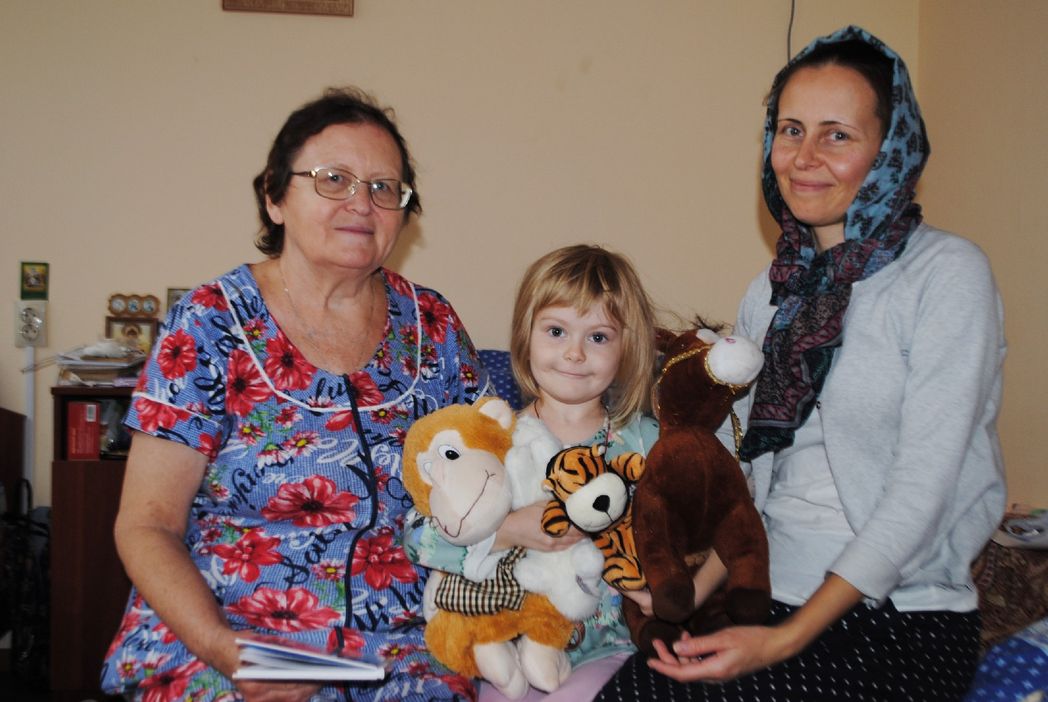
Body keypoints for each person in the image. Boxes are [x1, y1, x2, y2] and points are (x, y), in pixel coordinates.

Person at [597, 25, 1007, 702]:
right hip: (762, 589)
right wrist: (687, 597)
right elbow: (748, 484)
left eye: (837, 134)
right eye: (791, 130)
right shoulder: (770, 292)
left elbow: (923, 490)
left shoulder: (947, 275)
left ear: (890, 149)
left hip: (897, 615)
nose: (805, 157)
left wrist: (784, 640)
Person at [101, 87, 489, 701]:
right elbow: (147, 524)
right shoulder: (208, 324)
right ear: (274, 196)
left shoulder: (433, 325)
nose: (361, 203)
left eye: (384, 188)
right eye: (334, 179)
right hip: (225, 637)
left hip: (402, 651)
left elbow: (495, 473)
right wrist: (226, 649)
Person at [406, 244, 681, 701]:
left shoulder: (646, 444)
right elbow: (418, 536)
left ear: (626, 348)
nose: (574, 353)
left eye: (598, 337)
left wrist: (677, 594)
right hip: (510, 646)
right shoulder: (492, 439)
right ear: (525, 335)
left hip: (609, 649)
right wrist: (507, 530)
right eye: (556, 331)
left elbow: (711, 529)